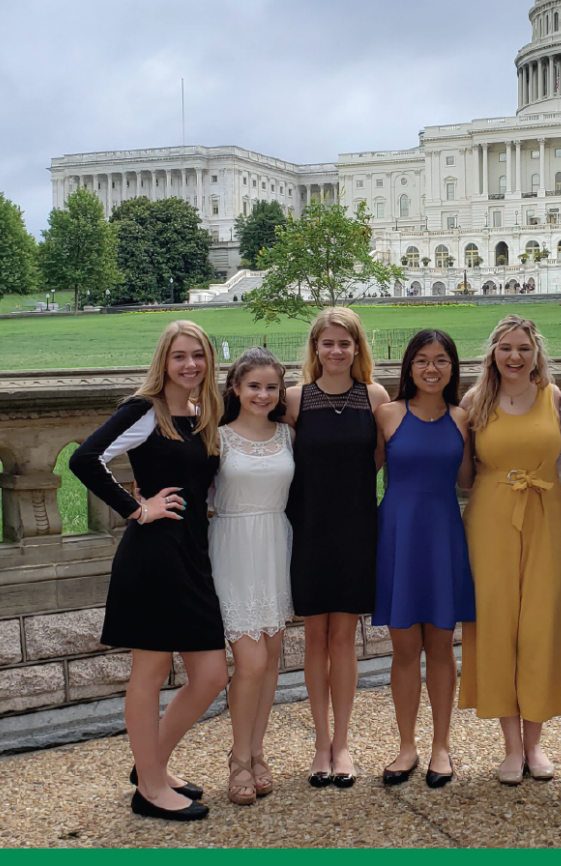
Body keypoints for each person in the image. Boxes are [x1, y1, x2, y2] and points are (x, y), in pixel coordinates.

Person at [69, 320, 227, 822]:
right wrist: (137, 508)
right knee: (151, 671)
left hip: (194, 554)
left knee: (211, 674)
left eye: (198, 355)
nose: (190, 365)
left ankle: (150, 764)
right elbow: (84, 458)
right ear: (164, 361)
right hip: (154, 554)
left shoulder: (204, 413)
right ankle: (151, 789)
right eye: (179, 356)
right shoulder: (144, 410)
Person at [458, 315, 561, 785]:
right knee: (497, 623)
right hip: (490, 519)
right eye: (506, 348)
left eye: (523, 349)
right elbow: (464, 471)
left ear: (536, 353)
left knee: (540, 624)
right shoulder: (475, 401)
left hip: (546, 512)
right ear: (492, 352)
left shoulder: (556, 397)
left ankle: (535, 743)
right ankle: (510, 746)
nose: (514, 356)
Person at [285, 307, 390, 789]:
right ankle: (320, 741)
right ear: (315, 348)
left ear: (356, 348)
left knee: (344, 640)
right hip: (307, 529)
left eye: (344, 343)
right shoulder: (293, 400)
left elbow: (378, 462)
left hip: (354, 529)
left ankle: (343, 742)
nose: (335, 351)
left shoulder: (375, 396)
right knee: (314, 639)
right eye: (327, 343)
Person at [374, 329, 475, 788]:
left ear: (452, 368)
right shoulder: (387, 415)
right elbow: (360, 473)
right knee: (403, 649)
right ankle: (406, 745)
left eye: (441, 360)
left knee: (440, 646)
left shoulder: (462, 418)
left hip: (443, 536)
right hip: (397, 534)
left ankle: (441, 745)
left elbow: (472, 480)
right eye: (422, 360)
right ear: (408, 366)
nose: (431, 368)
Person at [211, 347, 296, 806]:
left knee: (272, 658)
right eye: (253, 386)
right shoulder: (217, 437)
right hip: (233, 546)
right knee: (251, 661)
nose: (262, 394)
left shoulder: (288, 435)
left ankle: (258, 750)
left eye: (271, 387)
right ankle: (238, 759)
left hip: (275, 546)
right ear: (235, 390)